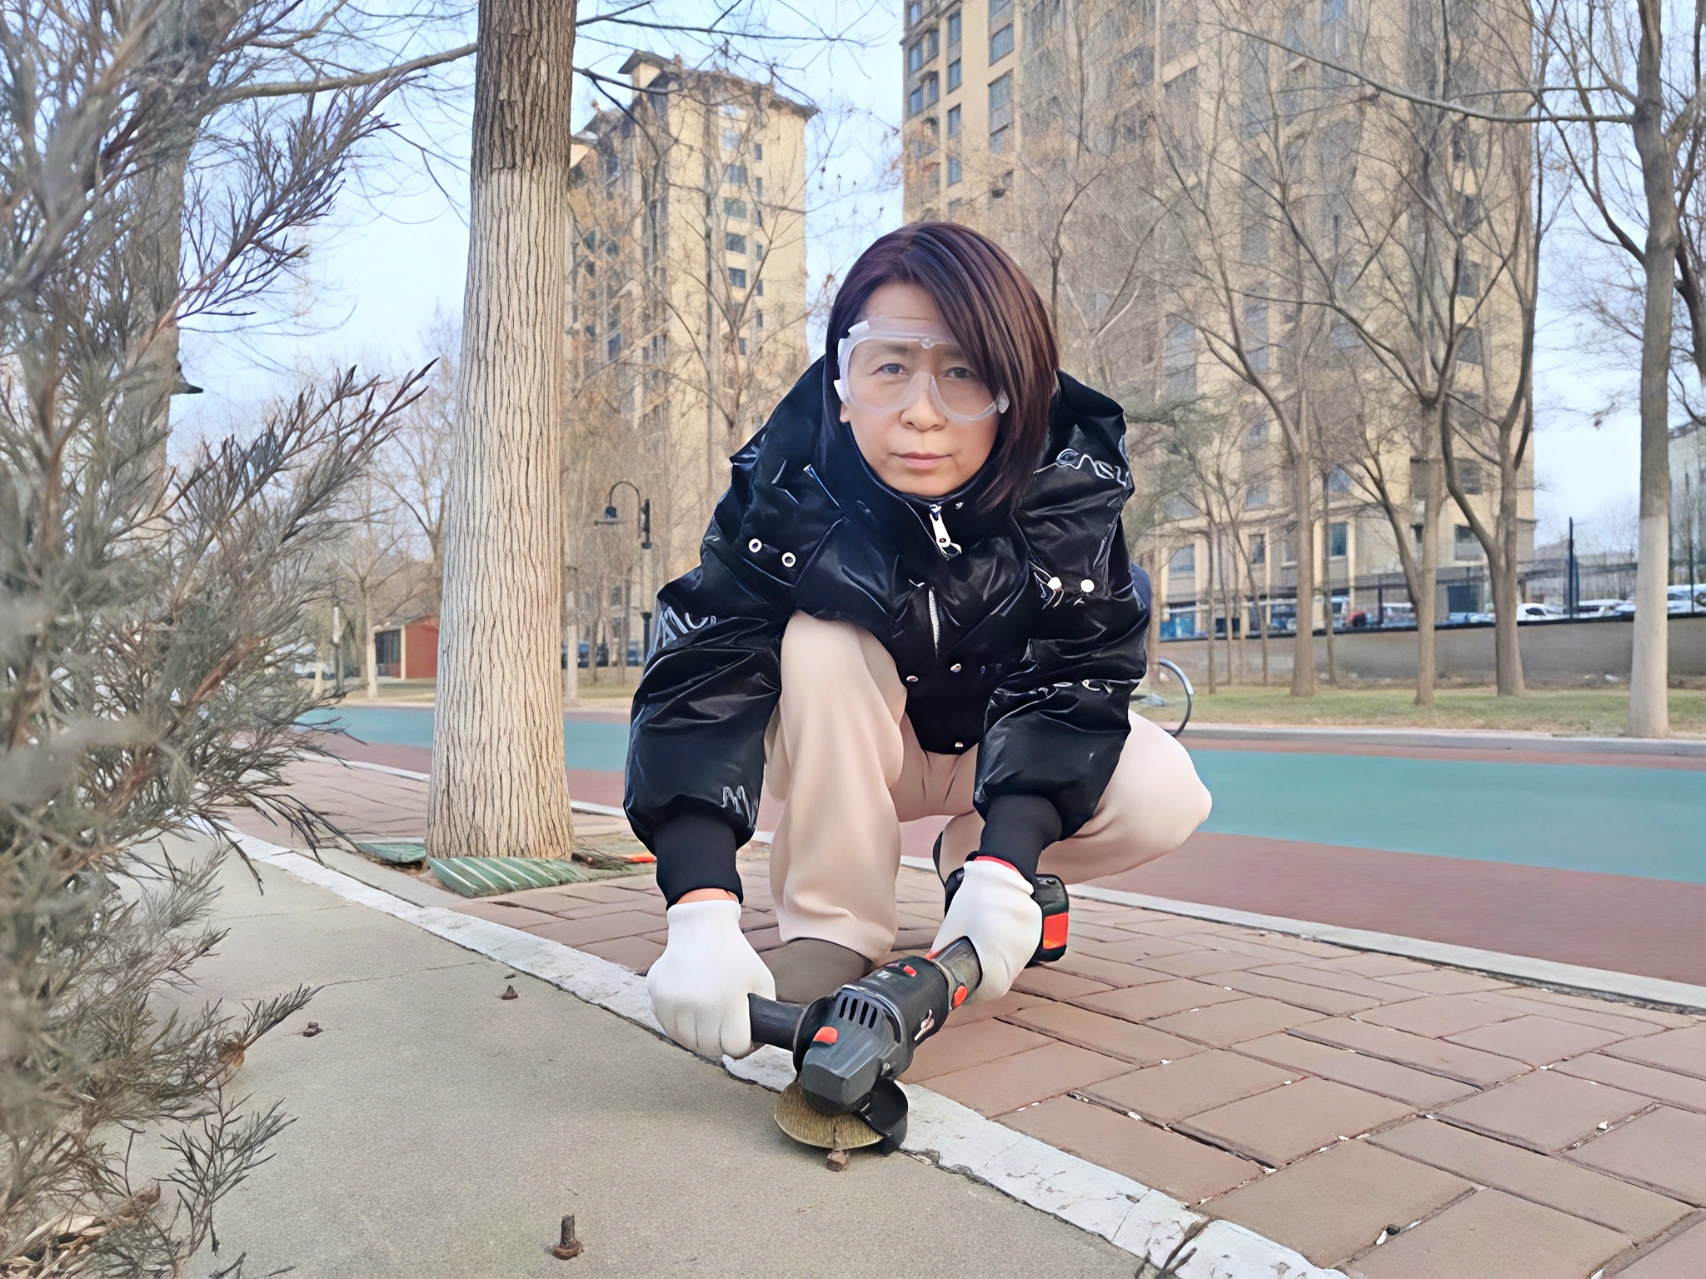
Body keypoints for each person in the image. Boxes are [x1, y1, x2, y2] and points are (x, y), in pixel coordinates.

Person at [625, 223, 1211, 1060]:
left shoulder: (1069, 488)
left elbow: (1076, 678)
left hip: (994, 753)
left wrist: (1005, 859)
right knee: (821, 637)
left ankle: (973, 861)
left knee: (1166, 788)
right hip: (852, 742)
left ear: (1014, 389)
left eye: (962, 371)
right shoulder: (787, 484)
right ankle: (832, 926)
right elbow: (702, 673)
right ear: (842, 383)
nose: (922, 413)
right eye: (889, 365)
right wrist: (700, 907)